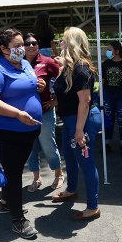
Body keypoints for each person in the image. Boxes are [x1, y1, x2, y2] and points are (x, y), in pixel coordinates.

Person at [0, 28, 43, 239]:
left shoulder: (25, 64)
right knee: (14, 173)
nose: (22, 49)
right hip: (6, 132)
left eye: (22, 45)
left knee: (13, 170)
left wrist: (38, 85)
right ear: (3, 48)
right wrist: (17, 114)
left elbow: (25, 87)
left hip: (28, 131)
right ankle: (18, 220)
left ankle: (6, 203)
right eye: (17, 46)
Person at [51, 26, 100, 220]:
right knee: (70, 158)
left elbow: (85, 101)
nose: (60, 43)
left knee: (86, 163)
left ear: (71, 42)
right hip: (71, 119)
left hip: (81, 121)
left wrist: (79, 130)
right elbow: (69, 95)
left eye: (63, 40)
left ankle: (93, 207)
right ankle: (71, 189)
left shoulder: (81, 68)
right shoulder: (71, 67)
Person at [23, 33, 64, 192]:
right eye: (28, 43)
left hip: (45, 112)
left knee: (48, 145)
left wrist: (56, 100)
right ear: (23, 46)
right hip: (25, 114)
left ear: (39, 46)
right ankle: (36, 178)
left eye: (34, 43)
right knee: (30, 147)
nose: (31, 46)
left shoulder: (47, 62)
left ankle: (58, 174)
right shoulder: (18, 64)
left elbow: (65, 81)